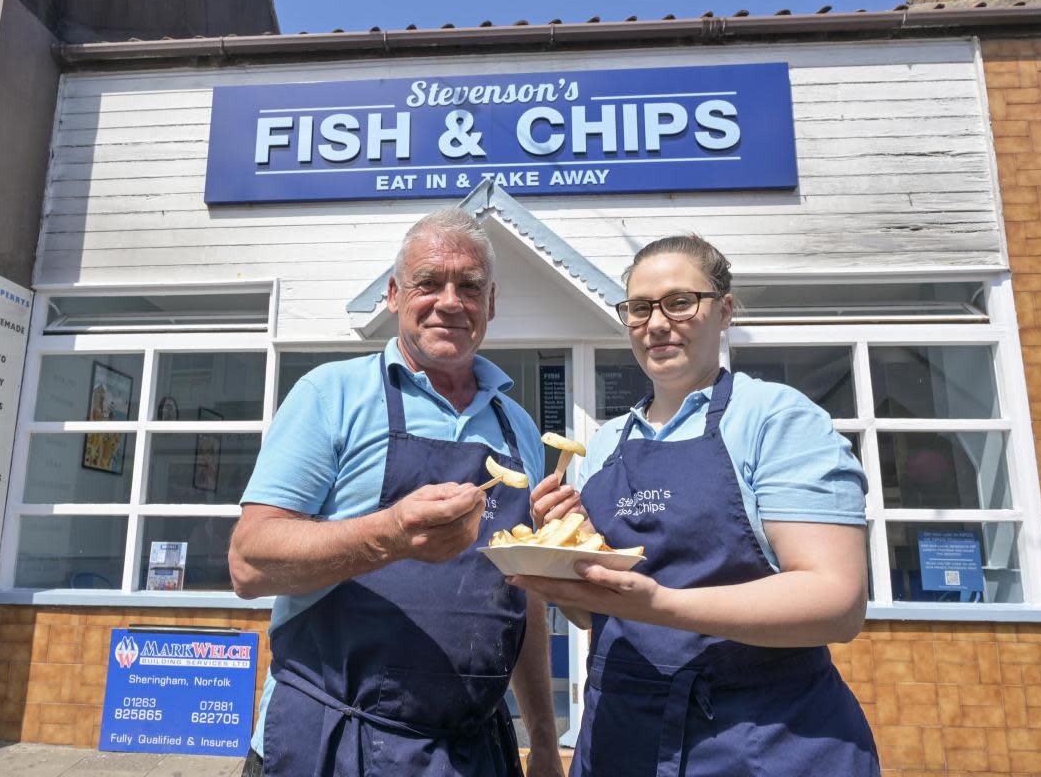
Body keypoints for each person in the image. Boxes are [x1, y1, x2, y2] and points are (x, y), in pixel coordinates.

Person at [515, 235, 880, 776]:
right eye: (639, 308)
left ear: (725, 310)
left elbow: (836, 600)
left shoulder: (775, 420)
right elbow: (589, 612)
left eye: (680, 302)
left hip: (762, 742)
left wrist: (658, 604)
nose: (657, 323)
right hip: (621, 739)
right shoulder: (602, 445)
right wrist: (566, 556)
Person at [229, 207, 573, 777]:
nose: (449, 301)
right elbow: (248, 563)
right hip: (332, 743)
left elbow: (523, 594)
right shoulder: (330, 395)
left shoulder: (519, 428)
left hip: (474, 752)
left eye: (470, 287)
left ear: (491, 304)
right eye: (428, 283)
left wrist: (541, 734)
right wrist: (389, 535)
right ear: (393, 295)